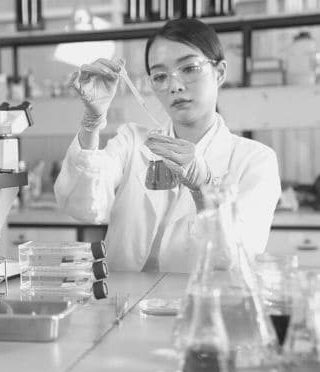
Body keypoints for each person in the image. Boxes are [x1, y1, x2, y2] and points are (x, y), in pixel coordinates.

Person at [54, 18, 281, 273]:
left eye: (190, 68)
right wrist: (92, 123)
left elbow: (237, 259)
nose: (175, 85)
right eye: (160, 76)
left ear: (219, 72)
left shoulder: (255, 160)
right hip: (124, 304)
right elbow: (83, 206)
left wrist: (203, 187)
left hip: (198, 306)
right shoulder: (132, 141)